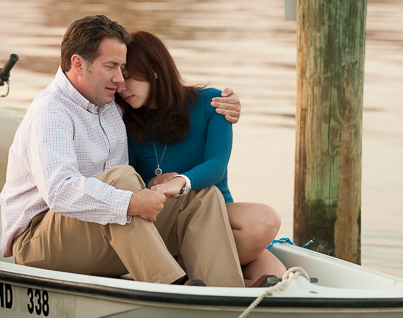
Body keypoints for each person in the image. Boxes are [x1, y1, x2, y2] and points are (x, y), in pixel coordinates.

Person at [1, 15, 245, 287]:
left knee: (202, 196)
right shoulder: (51, 112)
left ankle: (225, 297)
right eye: (111, 66)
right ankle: (171, 290)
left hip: (101, 231)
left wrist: (226, 105)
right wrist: (129, 202)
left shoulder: (111, 106)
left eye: (123, 68)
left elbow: (163, 100)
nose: (119, 79)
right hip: (40, 245)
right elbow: (60, 192)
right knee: (121, 180)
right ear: (78, 64)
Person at [117, 31, 287, 287]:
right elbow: (131, 181)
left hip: (218, 214)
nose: (121, 87)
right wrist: (155, 181)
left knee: (266, 228)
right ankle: (199, 279)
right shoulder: (124, 122)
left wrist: (182, 182)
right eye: (118, 79)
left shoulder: (212, 103)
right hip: (167, 225)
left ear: (153, 70)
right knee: (265, 277)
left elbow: (217, 167)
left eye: (128, 77)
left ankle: (192, 276)